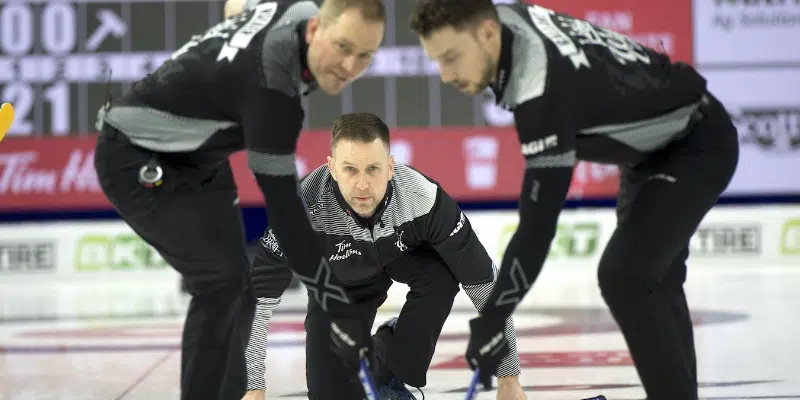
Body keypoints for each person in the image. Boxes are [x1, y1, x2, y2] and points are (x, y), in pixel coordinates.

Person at [409, 1, 739, 400]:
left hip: (696, 143)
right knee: (656, 279)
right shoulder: (509, 17)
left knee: (625, 276)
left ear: (487, 34)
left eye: (452, 58)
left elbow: (537, 227)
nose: (445, 76)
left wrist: (493, 317)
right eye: (437, 62)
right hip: (652, 154)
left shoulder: (539, 86)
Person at [92, 1, 386, 399]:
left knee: (243, 282)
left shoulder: (294, 8)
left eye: (365, 56)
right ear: (315, 29)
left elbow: (237, 3)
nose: (350, 66)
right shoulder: (271, 92)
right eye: (343, 47)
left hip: (200, 161)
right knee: (219, 280)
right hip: (134, 155)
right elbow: (286, 214)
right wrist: (337, 306)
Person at [242, 112, 528, 400]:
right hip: (338, 282)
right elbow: (257, 299)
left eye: (373, 169)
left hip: (405, 258)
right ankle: (383, 351)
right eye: (350, 169)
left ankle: (394, 366)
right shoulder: (300, 209)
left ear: (391, 167)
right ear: (332, 168)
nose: (363, 185)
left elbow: (484, 282)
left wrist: (509, 377)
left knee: (443, 273)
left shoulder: (422, 198)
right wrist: (253, 387)